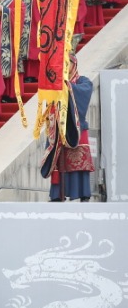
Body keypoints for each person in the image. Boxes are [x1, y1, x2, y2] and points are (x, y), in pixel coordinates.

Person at [44, 56, 95, 202]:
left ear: (75, 64)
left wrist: (68, 87)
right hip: (60, 126)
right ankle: (57, 194)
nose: (67, 66)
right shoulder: (57, 82)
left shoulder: (83, 81)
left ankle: (83, 193)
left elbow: (85, 91)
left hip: (77, 128)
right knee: (58, 160)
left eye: (69, 63)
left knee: (78, 160)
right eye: (64, 63)